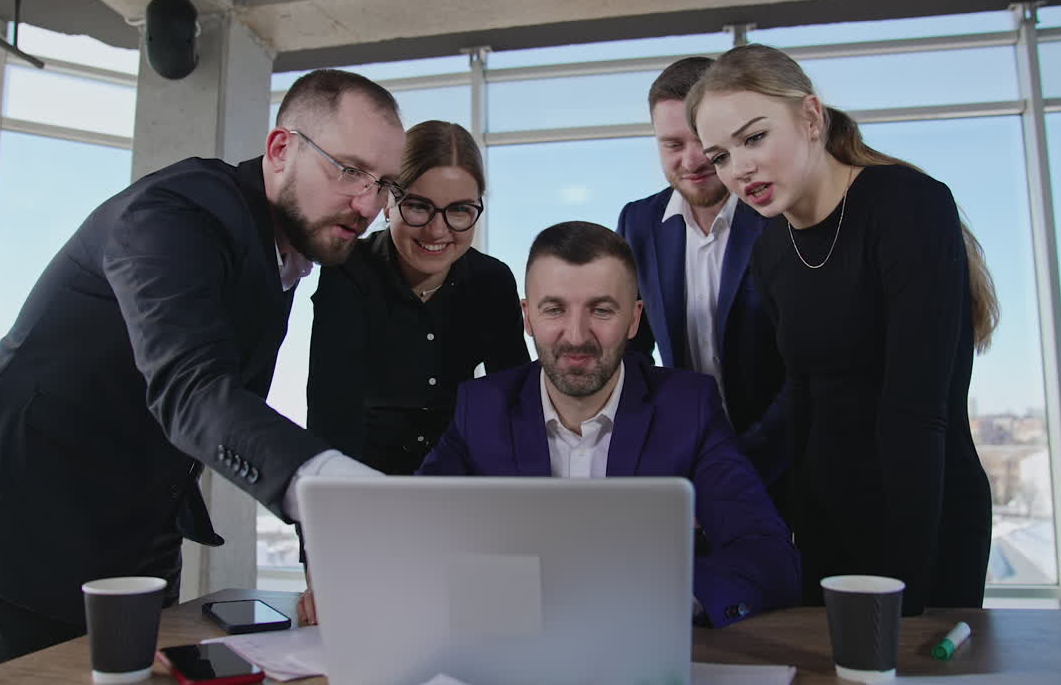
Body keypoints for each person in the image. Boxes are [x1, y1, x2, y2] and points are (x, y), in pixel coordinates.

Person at [0, 69, 405, 669]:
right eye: (348, 170)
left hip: (138, 523)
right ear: (279, 149)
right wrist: (343, 497)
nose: (368, 204)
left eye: (383, 184)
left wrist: (322, 546)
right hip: (24, 510)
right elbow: (192, 391)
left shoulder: (287, 248)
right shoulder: (177, 212)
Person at [686, 44, 999, 616]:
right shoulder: (771, 249)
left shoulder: (907, 205)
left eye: (754, 138)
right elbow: (803, 411)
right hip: (829, 524)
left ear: (810, 117)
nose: (740, 170)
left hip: (924, 516)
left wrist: (904, 591)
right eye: (721, 156)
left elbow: (920, 411)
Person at [417, 221, 800, 627]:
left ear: (634, 319)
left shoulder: (688, 408)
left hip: (643, 646)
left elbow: (768, 555)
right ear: (527, 316)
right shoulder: (481, 408)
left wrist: (666, 601)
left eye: (601, 310)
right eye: (554, 309)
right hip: (513, 643)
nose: (577, 337)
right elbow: (414, 533)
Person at [617, 57, 790, 518]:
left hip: (791, 464)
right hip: (691, 470)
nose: (691, 160)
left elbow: (806, 366)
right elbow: (633, 350)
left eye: (702, 142)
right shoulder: (639, 223)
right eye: (672, 143)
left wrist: (744, 464)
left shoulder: (777, 213)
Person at [307, 120, 529, 474]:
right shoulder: (348, 271)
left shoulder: (492, 281)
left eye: (459, 209)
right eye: (418, 206)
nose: (437, 230)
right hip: (365, 480)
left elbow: (515, 407)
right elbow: (331, 413)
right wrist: (326, 515)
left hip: (462, 479)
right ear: (387, 202)